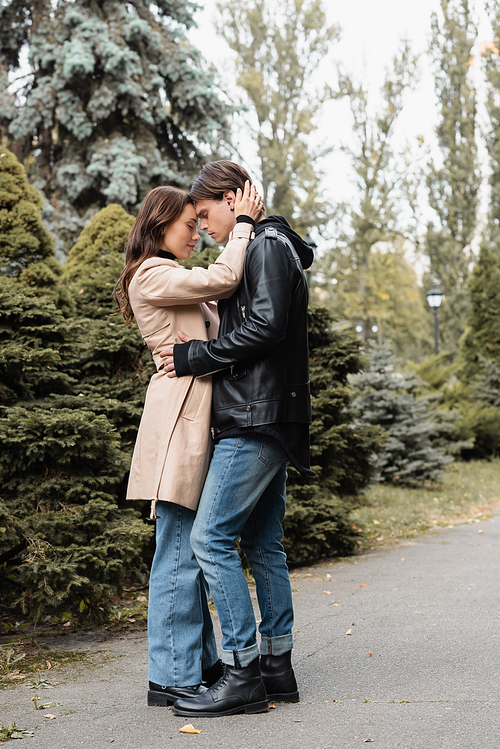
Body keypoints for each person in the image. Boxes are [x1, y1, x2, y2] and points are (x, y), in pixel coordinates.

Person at [160, 160, 314, 718]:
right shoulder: (275, 245)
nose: (203, 229)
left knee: (210, 541)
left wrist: (193, 357)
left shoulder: (267, 244)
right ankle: (276, 667)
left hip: (253, 418)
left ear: (233, 199)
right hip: (271, 415)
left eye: (205, 215)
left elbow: (266, 325)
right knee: (262, 545)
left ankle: (243, 671)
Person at [113, 181, 264, 707]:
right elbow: (223, 279)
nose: (197, 232)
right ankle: (173, 673)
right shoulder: (154, 273)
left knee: (185, 550)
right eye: (188, 224)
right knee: (179, 551)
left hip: (190, 412)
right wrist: (242, 225)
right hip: (177, 417)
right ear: (159, 227)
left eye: (200, 224)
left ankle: (193, 662)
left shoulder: (167, 274)